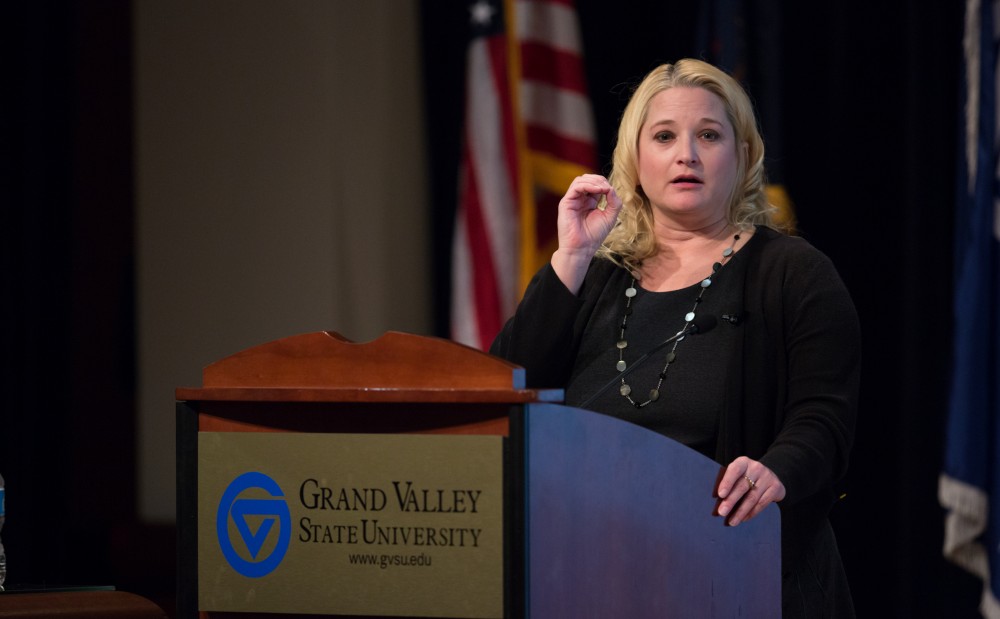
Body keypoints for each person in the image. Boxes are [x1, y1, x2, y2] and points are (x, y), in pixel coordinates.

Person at [490, 58, 860, 618]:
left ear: (743, 156)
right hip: (588, 571)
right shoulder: (596, 273)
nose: (686, 153)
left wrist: (776, 469)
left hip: (738, 570)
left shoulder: (794, 274)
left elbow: (824, 417)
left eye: (708, 135)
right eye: (664, 136)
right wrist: (570, 256)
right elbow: (504, 391)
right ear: (636, 159)